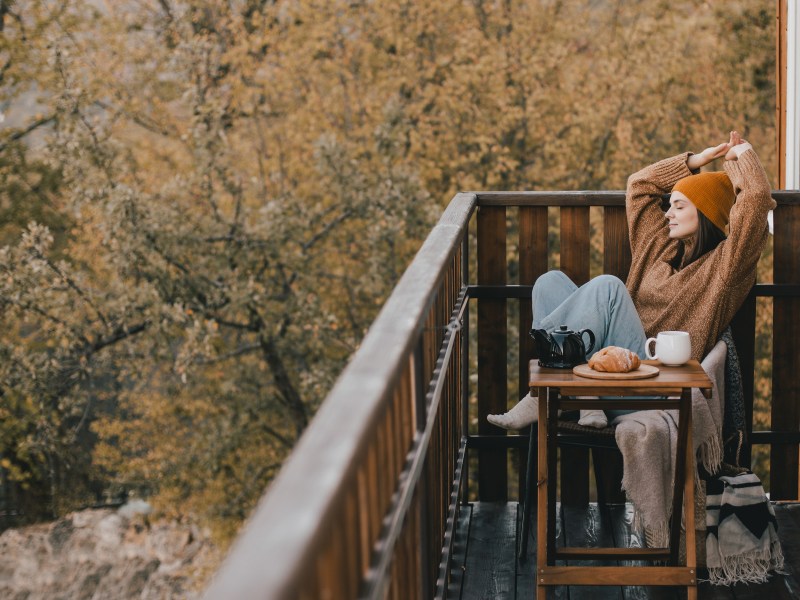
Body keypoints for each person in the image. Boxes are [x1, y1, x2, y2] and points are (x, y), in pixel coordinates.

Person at [488, 131, 775, 430]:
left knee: (609, 287)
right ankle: (584, 397)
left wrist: (743, 155)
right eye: (669, 205)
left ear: (705, 215)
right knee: (549, 282)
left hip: (651, 385)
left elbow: (755, 201)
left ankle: (546, 391)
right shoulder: (657, 247)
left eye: (679, 206)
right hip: (612, 369)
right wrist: (696, 161)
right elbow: (639, 185)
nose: (668, 215)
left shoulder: (724, 268)